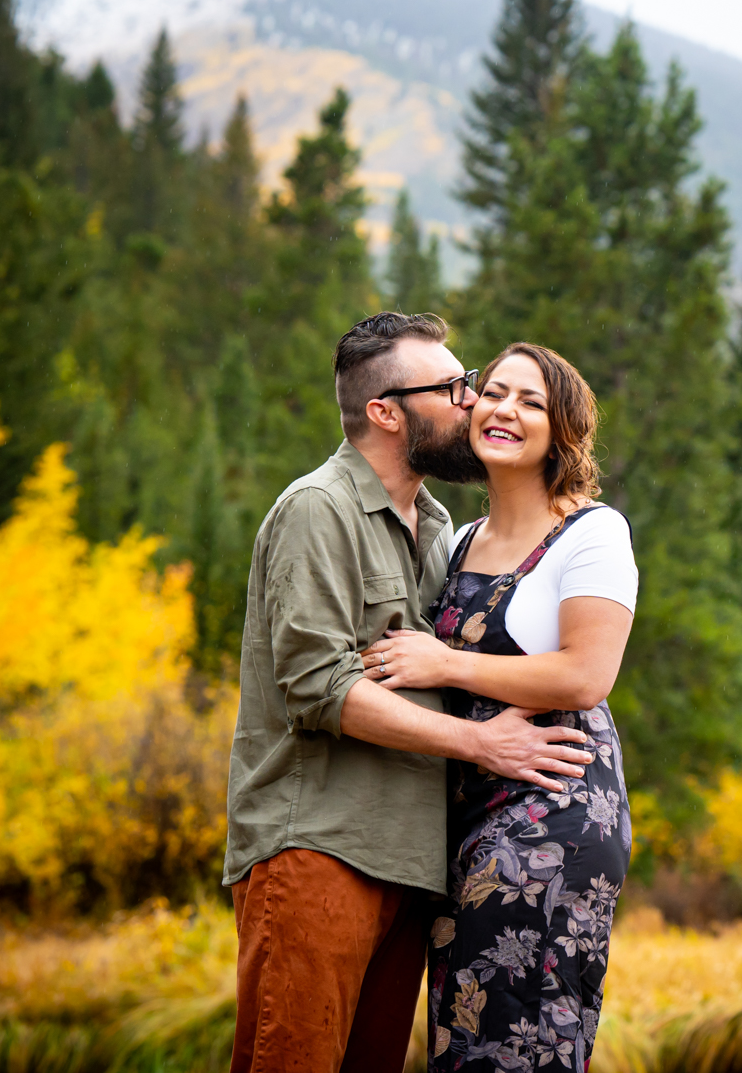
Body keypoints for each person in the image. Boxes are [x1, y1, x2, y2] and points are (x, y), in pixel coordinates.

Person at [224, 314, 599, 1073]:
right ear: (386, 411)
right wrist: (482, 742)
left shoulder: (437, 529)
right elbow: (318, 687)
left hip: (410, 871)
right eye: (455, 387)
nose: (474, 402)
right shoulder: (317, 509)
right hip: (317, 850)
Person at [360, 342, 637, 1073]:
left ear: (563, 432)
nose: (505, 410)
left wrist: (445, 660)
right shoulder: (457, 541)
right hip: (470, 812)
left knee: (520, 1043)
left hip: (555, 809)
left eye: (531, 401)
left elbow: (586, 674)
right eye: (494, 392)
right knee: (463, 1036)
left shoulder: (592, 532)